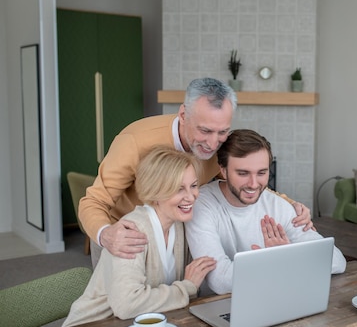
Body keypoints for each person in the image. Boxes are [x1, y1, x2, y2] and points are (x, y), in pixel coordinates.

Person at [78, 77, 312, 262]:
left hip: (179, 234)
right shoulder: (135, 140)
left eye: (222, 132)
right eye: (205, 131)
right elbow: (93, 202)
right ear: (182, 115)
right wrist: (106, 235)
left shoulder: (221, 146)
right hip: (126, 235)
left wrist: (290, 204)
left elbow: (244, 178)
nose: (213, 143)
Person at [63, 146, 216, 327]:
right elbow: (127, 305)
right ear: (156, 191)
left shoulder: (180, 224)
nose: (191, 197)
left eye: (194, 185)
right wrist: (186, 287)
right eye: (179, 189)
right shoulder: (132, 231)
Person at [185, 129, 347, 295]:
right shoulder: (202, 204)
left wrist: (288, 255)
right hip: (220, 305)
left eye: (262, 173)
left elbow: (336, 261)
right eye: (243, 173)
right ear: (223, 170)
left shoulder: (277, 205)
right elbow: (219, 280)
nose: (254, 184)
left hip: (273, 296)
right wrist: (280, 261)